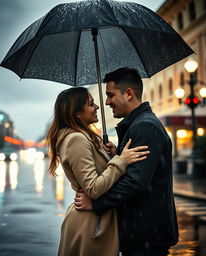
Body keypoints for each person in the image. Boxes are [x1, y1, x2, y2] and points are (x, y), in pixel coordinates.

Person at [75, 68, 179, 256]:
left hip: (146, 236)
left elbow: (136, 182)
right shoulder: (138, 124)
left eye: (110, 95)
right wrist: (118, 154)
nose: (107, 102)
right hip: (141, 232)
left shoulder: (144, 126)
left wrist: (96, 204)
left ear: (129, 94)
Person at [46, 87, 150, 256]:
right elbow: (93, 188)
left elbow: (101, 175)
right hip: (90, 223)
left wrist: (113, 155)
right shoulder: (76, 139)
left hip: (96, 219)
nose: (97, 107)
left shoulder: (83, 137)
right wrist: (120, 161)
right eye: (91, 104)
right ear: (77, 113)